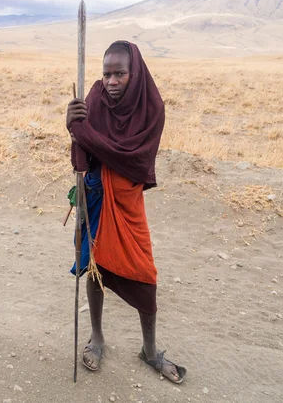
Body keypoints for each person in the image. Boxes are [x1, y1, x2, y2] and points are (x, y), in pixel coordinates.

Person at [66, 40, 186, 384]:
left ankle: (149, 351)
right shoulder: (93, 99)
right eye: (106, 74)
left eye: (120, 73)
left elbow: (134, 159)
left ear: (135, 74)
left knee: (145, 273)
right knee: (94, 266)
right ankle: (97, 338)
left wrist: (84, 132)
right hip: (96, 197)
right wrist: (73, 127)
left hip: (128, 202)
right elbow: (84, 154)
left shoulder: (152, 109)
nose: (111, 81)